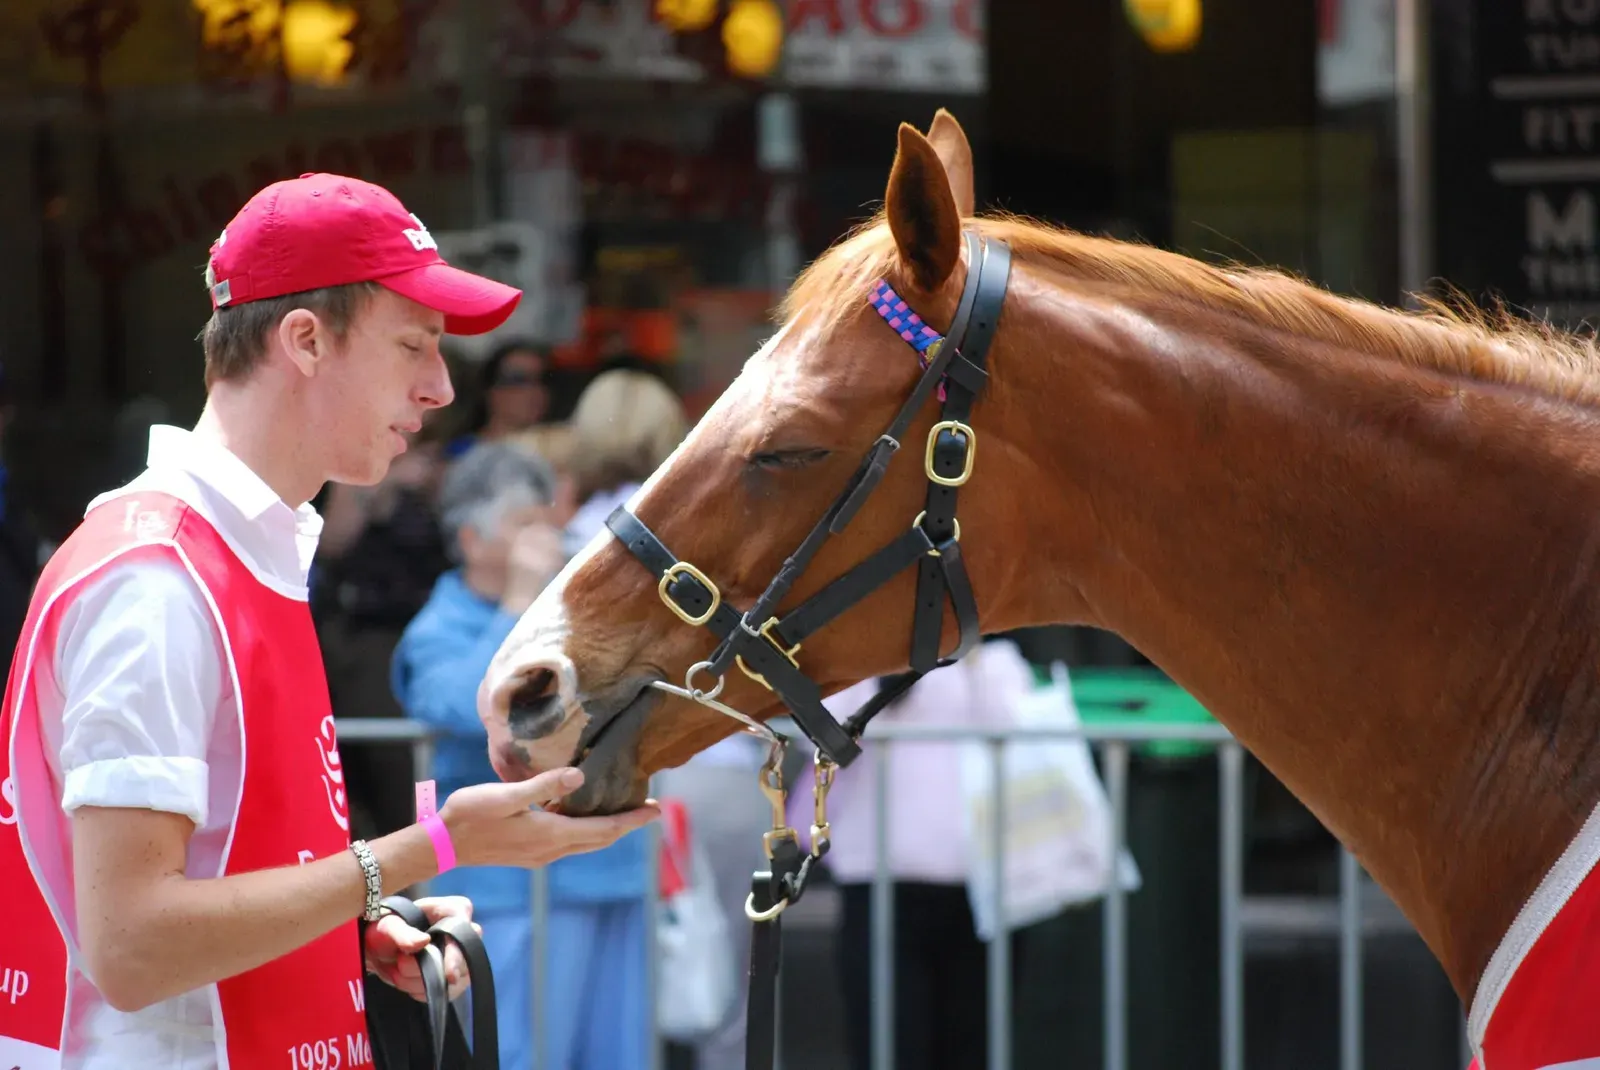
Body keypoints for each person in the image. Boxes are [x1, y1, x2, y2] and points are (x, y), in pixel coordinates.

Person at [0, 172, 658, 1070]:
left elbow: (213, 879)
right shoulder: (157, 577)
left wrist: (356, 917)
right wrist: (428, 849)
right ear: (305, 340)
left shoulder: (235, 550)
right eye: (413, 347)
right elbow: (134, 944)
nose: (437, 390)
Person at [392, 438, 656, 1070]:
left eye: (546, 520)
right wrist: (518, 600)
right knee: (520, 1055)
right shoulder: (441, 623)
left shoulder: (575, 610)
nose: (543, 539)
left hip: (613, 873)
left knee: (621, 1056)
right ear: (472, 540)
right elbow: (457, 703)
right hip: (505, 891)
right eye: (521, 524)